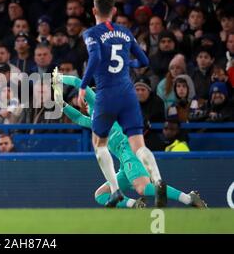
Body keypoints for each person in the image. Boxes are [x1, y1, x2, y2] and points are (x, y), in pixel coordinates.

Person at [53, 69, 206, 208]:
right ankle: (135, 205)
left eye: (86, 97)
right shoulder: (94, 120)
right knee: (101, 195)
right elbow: (78, 118)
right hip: (123, 158)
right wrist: (62, 104)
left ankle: (188, 198)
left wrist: (60, 78)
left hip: (128, 150)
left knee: (143, 188)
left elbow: (78, 82)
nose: (84, 101)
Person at [78, 0, 166, 207]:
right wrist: (130, 65)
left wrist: (82, 86)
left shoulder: (91, 33)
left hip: (107, 94)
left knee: (99, 145)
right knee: (139, 146)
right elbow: (144, 60)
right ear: (114, 11)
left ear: (94, 11)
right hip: (128, 94)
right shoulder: (125, 32)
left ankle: (116, 190)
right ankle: (158, 180)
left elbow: (96, 58)